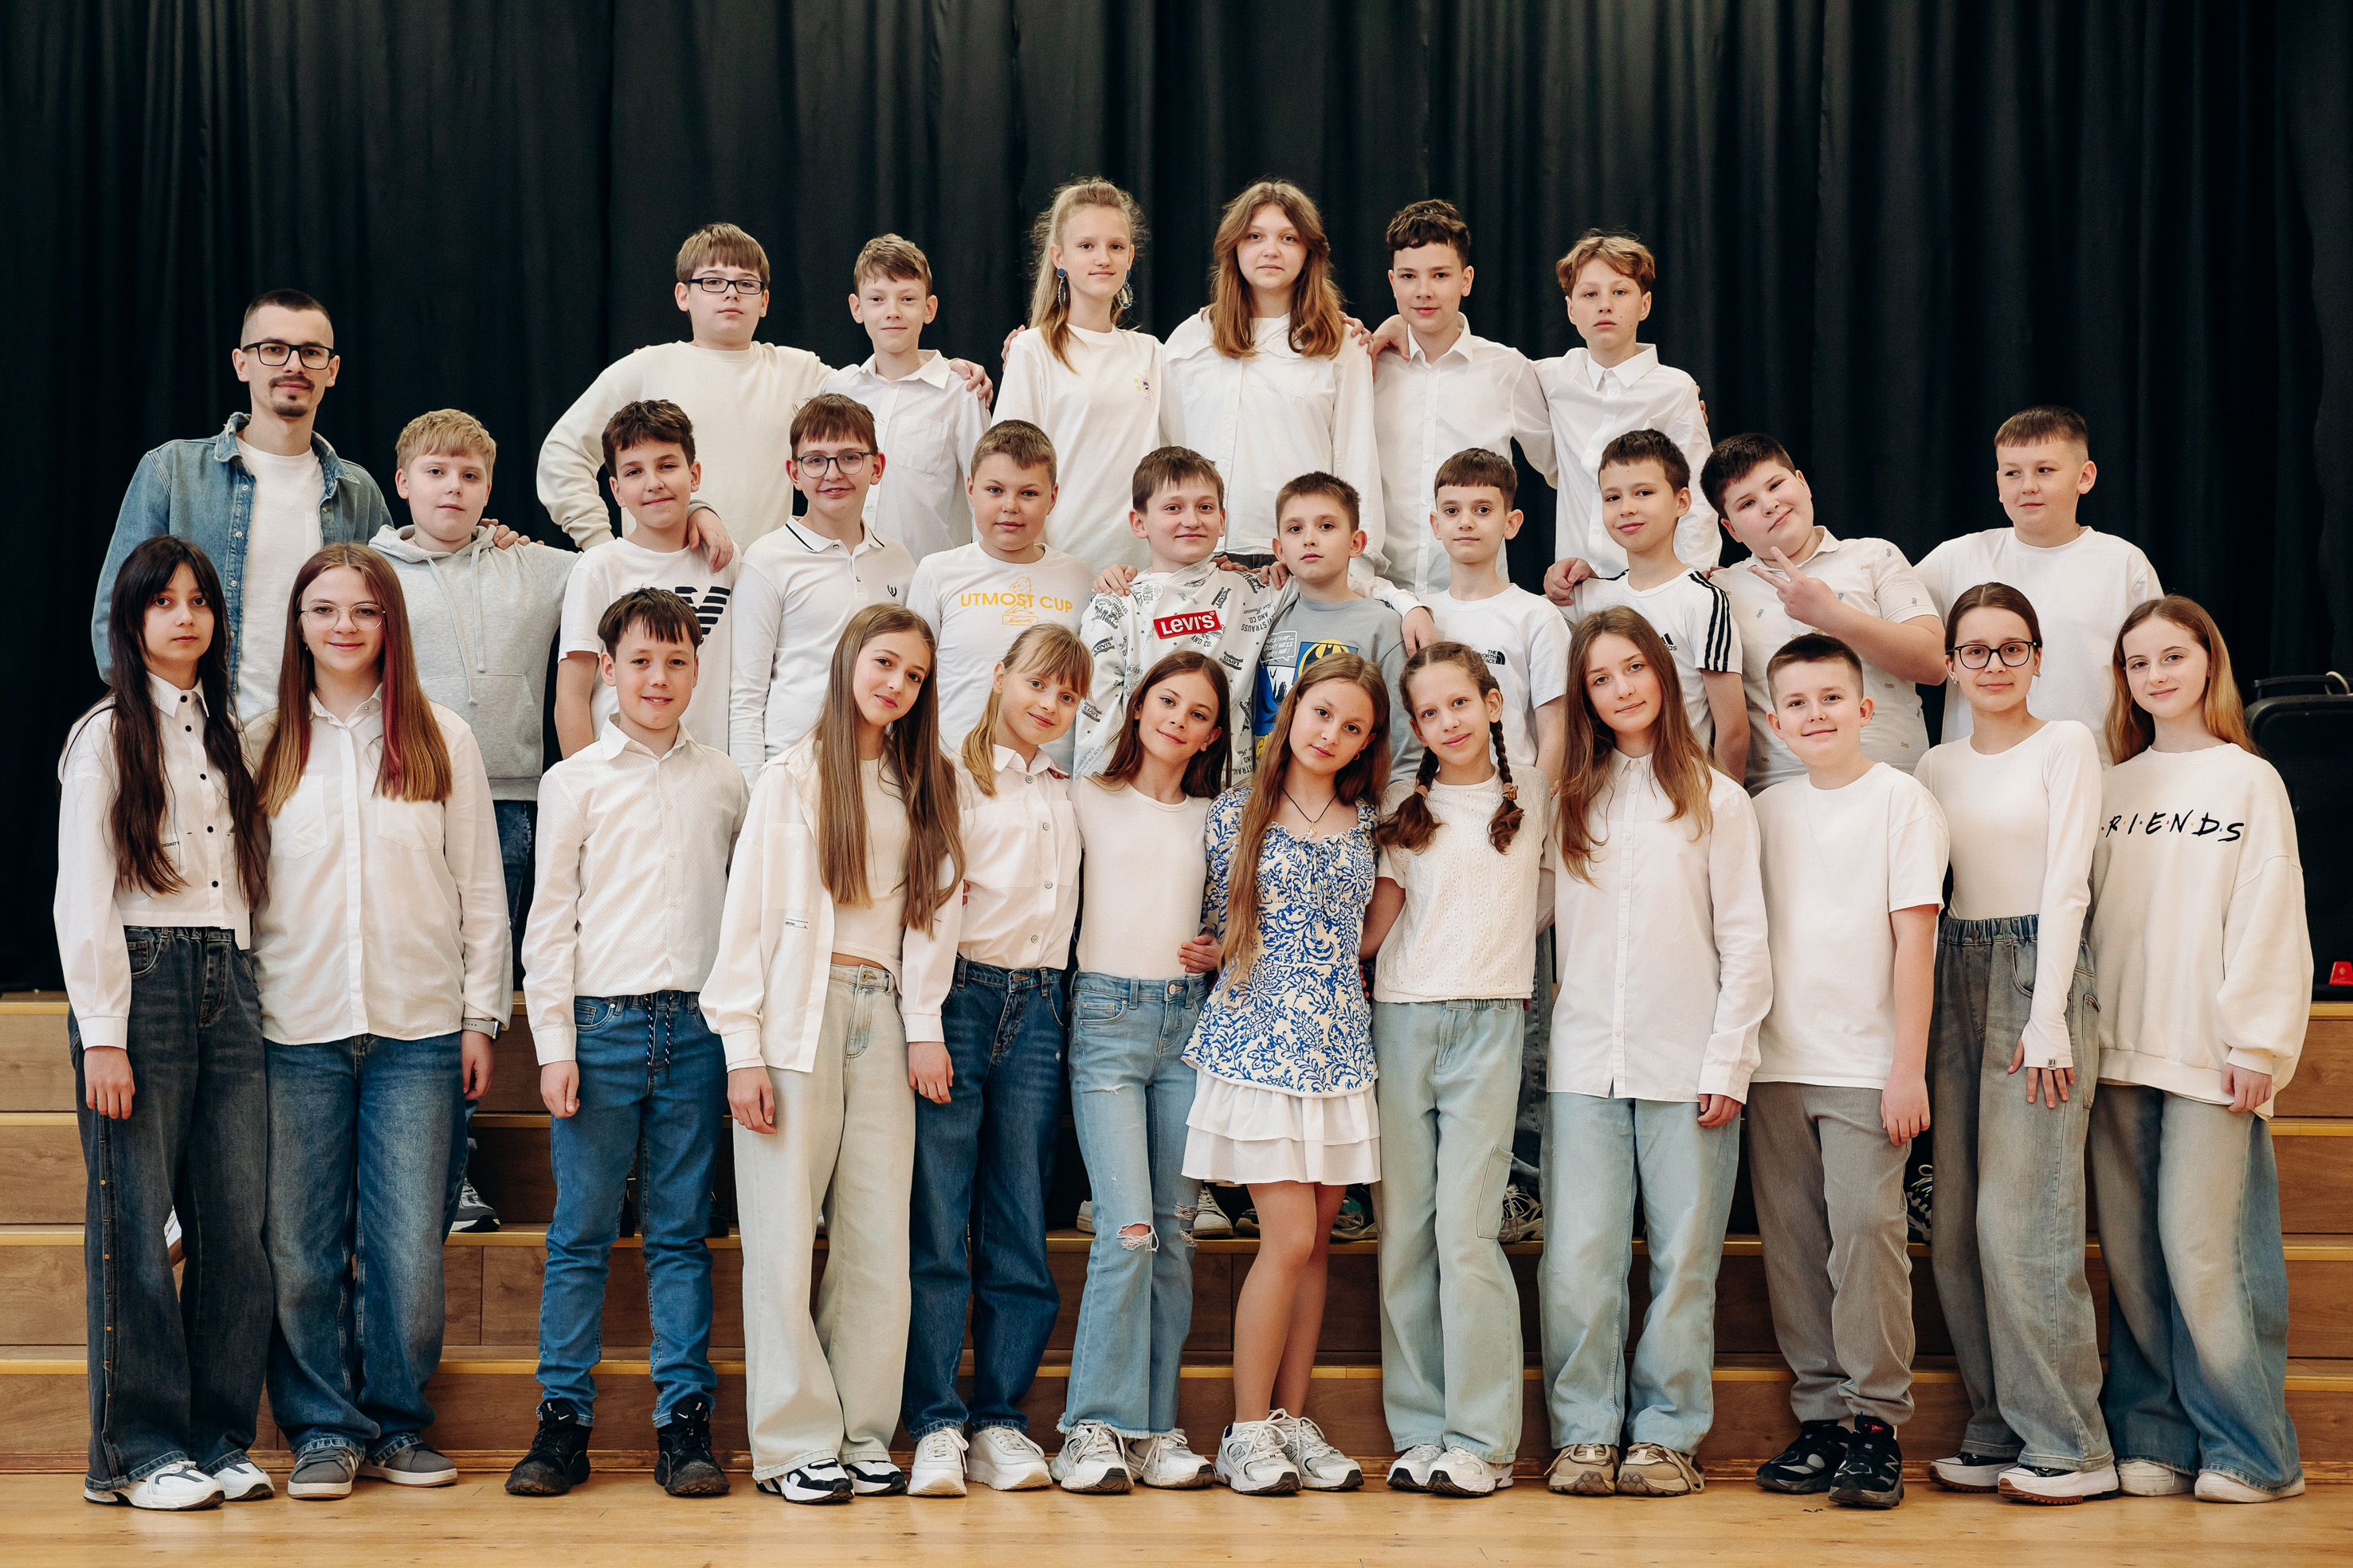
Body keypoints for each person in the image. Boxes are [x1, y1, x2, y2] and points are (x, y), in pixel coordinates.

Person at [249, 543, 508, 1500]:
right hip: (294, 1029)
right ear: (298, 625)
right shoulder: (261, 741)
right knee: (300, 1250)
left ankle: (396, 1424)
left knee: (407, 1252)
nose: (344, 626)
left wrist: (481, 1016)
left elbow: (482, 889)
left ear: (391, 624)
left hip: (419, 1030)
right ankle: (322, 1427)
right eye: (324, 609)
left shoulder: (444, 738)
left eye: (364, 609)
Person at [704, 604, 963, 1504]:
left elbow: (934, 918)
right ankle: (790, 1446)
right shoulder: (791, 776)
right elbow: (745, 916)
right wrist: (742, 1048)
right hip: (794, 1019)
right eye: (884, 663)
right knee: (781, 1236)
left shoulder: (923, 783)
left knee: (876, 1238)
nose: (897, 684)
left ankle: (860, 1434)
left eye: (915, 675)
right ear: (850, 658)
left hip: (881, 1014)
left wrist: (922, 1027)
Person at [505, 589, 749, 1500]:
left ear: (696, 670)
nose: (658, 678)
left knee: (680, 1234)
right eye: (641, 661)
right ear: (607, 669)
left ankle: (684, 1425)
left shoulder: (724, 781)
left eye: (676, 661)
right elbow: (550, 921)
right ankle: (561, 1424)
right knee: (581, 1234)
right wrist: (554, 1043)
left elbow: (743, 915)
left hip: (696, 1032)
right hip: (601, 1030)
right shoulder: (575, 781)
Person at [59, 538, 274, 1511]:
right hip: (140, 978)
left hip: (229, 973)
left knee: (235, 1226)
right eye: (164, 602)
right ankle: (135, 1452)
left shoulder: (228, 734)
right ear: (132, 618)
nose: (185, 617)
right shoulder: (106, 734)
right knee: (135, 1227)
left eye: (200, 602)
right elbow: (82, 893)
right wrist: (103, 1031)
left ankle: (218, 1437)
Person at [1539, 607, 1768, 1499]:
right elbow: (1529, 915)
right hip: (1583, 1063)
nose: (1621, 688)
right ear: (1584, 698)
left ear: (1664, 676)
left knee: (1683, 1261)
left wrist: (1728, 1063)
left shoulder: (1719, 799)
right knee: (1579, 1258)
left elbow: (1744, 942)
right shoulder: (1568, 801)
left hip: (1688, 1065)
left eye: (1633, 668)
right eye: (1600, 678)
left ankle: (1668, 1435)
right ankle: (1584, 1433)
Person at [2089, 595, 2308, 1505]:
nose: (2155, 675)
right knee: (2134, 1260)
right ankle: (2154, 1437)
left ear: (2207, 663)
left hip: (2210, 1055)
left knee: (2202, 1250)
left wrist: (2257, 1041)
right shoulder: (2111, 785)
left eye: (2172, 656)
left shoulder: (2248, 780)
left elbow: (2270, 914)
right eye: (2137, 662)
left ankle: (2254, 1453)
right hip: (2115, 1053)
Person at [1909, 583, 2112, 1501]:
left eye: (2010, 648)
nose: (1993, 665)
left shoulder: (2065, 743)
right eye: (1975, 650)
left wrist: (2047, 1018)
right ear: (1950, 664)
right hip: (1955, 967)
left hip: (2037, 972)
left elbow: (2068, 884)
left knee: (2020, 1224)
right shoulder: (1935, 766)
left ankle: (2070, 1445)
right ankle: (1998, 1428)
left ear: (2036, 657)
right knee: (1955, 1228)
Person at [1746, 633, 1947, 1510]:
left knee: (1866, 1235)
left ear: (1864, 709)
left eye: (1830, 697)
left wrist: (1907, 1068)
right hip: (1774, 1065)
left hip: (1867, 1066)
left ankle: (1875, 1424)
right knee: (1794, 1246)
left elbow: (1915, 944)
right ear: (1775, 721)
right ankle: (1822, 1418)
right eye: (1796, 702)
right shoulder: (1763, 812)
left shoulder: (1902, 802)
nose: (1814, 714)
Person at [1189, 655, 1391, 1497]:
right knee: (1290, 1239)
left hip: (1337, 1050)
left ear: (1368, 742)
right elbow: (1213, 918)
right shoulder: (1235, 811)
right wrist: (1214, 950)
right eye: (1322, 714)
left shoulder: (1373, 822)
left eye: (1353, 727)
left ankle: (1290, 1422)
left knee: (1316, 1247)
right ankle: (1244, 1432)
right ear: (1292, 709)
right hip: (1258, 1044)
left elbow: (1373, 929)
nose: (1331, 735)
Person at [899, 624, 1094, 1497]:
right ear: (1000, 675)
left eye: (1067, 695)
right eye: (1037, 684)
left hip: (1042, 1005)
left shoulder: (1065, 790)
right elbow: (929, 904)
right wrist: (924, 1024)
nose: (1049, 705)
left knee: (1019, 1217)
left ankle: (1000, 1422)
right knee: (941, 1219)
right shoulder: (950, 776)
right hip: (962, 1000)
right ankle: (936, 1421)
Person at [373, 407, 577, 1233]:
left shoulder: (532, 567)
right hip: (414, 804)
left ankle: (469, 1173)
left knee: (486, 999)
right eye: (435, 473)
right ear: (403, 482)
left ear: (490, 488)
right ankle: (440, 1176)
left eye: (469, 475)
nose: (451, 488)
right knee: (435, 992)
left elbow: (626, 564)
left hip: (516, 804)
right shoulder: (372, 574)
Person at [1361, 641, 1550, 1498]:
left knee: (1465, 1234)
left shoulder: (1535, 794)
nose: (1447, 722)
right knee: (1404, 1234)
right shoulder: (1402, 808)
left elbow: (1552, 893)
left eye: (1459, 704)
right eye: (1428, 713)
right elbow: (1376, 927)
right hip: (1401, 1022)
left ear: (1492, 703)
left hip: (1490, 1024)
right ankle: (1419, 1429)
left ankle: (1480, 1439)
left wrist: (1505, 957)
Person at [1049, 652, 1233, 1495]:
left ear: (1213, 735)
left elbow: (1243, 913)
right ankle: (1092, 1428)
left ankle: (1154, 1430)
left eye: (1198, 714)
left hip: (1185, 1026)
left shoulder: (1215, 815)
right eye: (1167, 702)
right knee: (1126, 1233)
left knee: (1174, 1238)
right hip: (1106, 1022)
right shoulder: (1083, 797)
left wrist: (1222, 947)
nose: (1178, 721)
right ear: (1136, 708)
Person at [536, 221, 989, 552]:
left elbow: (886, 383)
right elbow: (563, 454)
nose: (731, 293)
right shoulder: (643, 369)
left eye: (746, 283)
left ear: (765, 300)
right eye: (713, 282)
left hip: (767, 585)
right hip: (665, 580)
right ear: (683, 295)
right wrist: (602, 546)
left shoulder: (801, 372)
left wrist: (949, 369)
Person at [92, 289, 393, 714]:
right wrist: (168, 726)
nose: (293, 365)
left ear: (332, 370)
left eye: (311, 352)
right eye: (274, 349)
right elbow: (115, 616)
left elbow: (395, 616)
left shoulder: (358, 491)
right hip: (204, 731)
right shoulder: (172, 472)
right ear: (241, 363)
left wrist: (475, 542)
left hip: (318, 732)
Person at [1073, 447, 1429, 782]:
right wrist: (1105, 800)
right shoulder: (1114, 603)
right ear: (1139, 523)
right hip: (1139, 790)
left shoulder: (1257, 589)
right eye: (1173, 508)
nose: (1191, 520)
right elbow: (1096, 724)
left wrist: (1407, 604)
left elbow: (1335, 584)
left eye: (1205, 507)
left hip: (1234, 796)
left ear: (1222, 520)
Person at [1914, 406, 2163, 761]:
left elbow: (2155, 673)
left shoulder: (2124, 564)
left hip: (2097, 771)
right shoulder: (1954, 558)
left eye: (2045, 470)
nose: (2028, 486)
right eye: (2012, 473)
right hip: (1977, 775)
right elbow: (1896, 635)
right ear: (1999, 485)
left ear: (2084, 477)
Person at [1700, 433, 1946, 790]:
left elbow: (1935, 664)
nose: (1769, 505)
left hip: (1895, 782)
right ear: (1731, 529)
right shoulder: (1720, 591)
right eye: (1747, 503)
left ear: (1802, 483)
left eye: (1776, 485)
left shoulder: (1875, 556)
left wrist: (1830, 614)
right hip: (1778, 794)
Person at [1162, 179, 1384, 566]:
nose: (1270, 251)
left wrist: (1358, 568)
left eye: (1288, 238)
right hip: (1202, 554)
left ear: (1309, 252)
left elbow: (1356, 461)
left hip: (1302, 557)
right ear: (1233, 246)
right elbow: (1167, 455)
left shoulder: (1341, 344)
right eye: (1254, 236)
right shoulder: (1189, 340)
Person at [1359, 199, 1556, 597]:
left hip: (1476, 595)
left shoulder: (1506, 370)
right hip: (1376, 593)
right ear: (1393, 282)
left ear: (1466, 280)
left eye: (1440, 275)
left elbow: (1562, 468)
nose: (1424, 291)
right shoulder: (1367, 366)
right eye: (1409, 276)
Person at [995, 178, 1182, 570]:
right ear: (1059, 257)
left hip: (1140, 569)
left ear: (1130, 257)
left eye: (1115, 246)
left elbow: (1178, 462)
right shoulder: (1033, 349)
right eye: (1086, 246)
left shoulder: (1152, 352)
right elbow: (1008, 467)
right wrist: (1039, 565)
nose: (1103, 258)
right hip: (1058, 565)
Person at [729, 394, 917, 774]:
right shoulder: (767, 560)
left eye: (850, 457)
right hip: (793, 768)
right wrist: (752, 792)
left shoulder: (899, 560)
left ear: (877, 467)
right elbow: (746, 696)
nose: (833, 474)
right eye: (815, 460)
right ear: (794, 473)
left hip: (880, 768)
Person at [1551, 429, 1746, 777]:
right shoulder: (1588, 596)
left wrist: (1722, 801)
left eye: (1643, 492)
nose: (1627, 508)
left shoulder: (1702, 600)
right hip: (1606, 793)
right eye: (1612, 497)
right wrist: (1557, 580)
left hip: (1683, 788)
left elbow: (1732, 731)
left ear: (1681, 502)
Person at [1533, 231, 1717, 585]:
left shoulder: (1674, 389)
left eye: (1620, 292)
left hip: (1651, 583)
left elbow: (1697, 495)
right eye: (1590, 294)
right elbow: (1490, 369)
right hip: (1575, 586)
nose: (1605, 305)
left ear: (1644, 305)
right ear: (1571, 310)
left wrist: (1691, 582)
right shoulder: (1549, 378)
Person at [555, 401, 736, 759]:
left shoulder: (725, 559)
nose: (654, 483)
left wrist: (702, 511)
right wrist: (585, 781)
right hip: (619, 773)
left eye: (667, 466)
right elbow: (572, 696)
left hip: (708, 769)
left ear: (694, 475)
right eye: (634, 472)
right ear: (616, 490)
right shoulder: (599, 567)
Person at [905, 419, 1092, 759]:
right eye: (995, 490)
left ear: (1052, 498)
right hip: (954, 770)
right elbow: (912, 679)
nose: (1010, 506)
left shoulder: (1078, 577)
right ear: (970, 489)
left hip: (1050, 775)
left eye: (1029, 493)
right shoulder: (937, 572)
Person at [820, 234, 990, 565]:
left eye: (908, 299)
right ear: (857, 308)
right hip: (844, 576)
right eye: (877, 299)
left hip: (928, 582)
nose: (892, 312)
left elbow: (984, 495)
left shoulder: (961, 393)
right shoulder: (838, 389)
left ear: (929, 308)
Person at [1253, 473, 1421, 781]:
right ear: (1280, 550)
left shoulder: (1383, 625)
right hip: (1263, 793)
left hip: (1347, 799)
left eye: (1326, 526)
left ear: (1356, 543)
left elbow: (1405, 746)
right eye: (1295, 529)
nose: (1309, 539)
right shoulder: (1266, 614)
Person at [1420, 449, 1568, 786]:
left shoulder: (1537, 615)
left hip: (1513, 796)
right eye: (1452, 510)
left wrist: (1535, 805)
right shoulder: (1419, 613)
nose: (1466, 522)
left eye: (1482, 510)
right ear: (1436, 524)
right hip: (1429, 796)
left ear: (1511, 523)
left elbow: (1556, 733)